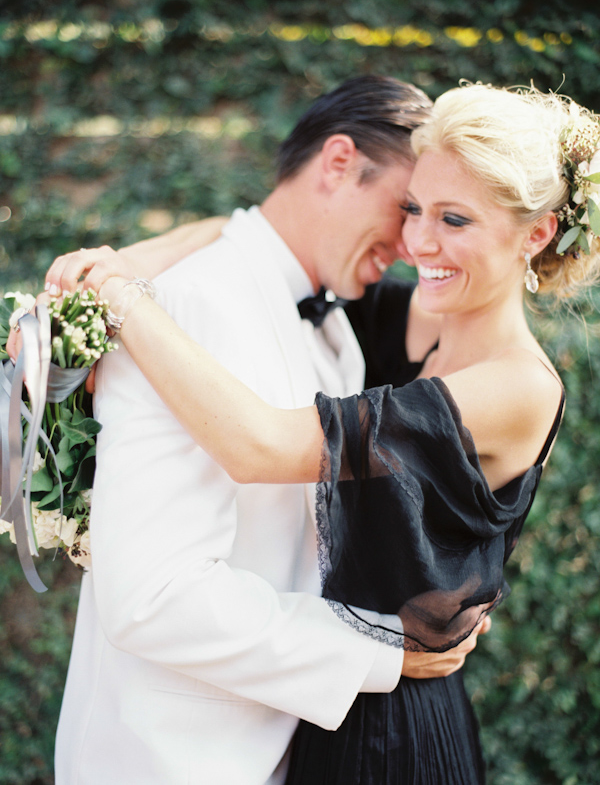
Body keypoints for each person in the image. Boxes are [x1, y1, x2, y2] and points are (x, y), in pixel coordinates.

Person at [44, 81, 600, 783]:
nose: (414, 240)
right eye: (412, 208)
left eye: (449, 217)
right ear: (338, 163)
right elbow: (256, 234)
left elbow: (265, 445)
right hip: (271, 735)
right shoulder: (390, 315)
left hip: (395, 730)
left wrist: (122, 300)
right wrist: (121, 268)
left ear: (538, 232)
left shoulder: (512, 382)